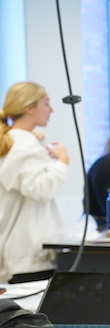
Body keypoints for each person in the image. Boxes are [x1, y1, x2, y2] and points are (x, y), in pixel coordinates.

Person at [0, 82, 69, 283]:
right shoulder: (23, 144)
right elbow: (40, 189)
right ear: (29, 108)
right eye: (46, 103)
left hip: (19, 252)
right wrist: (63, 162)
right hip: (28, 255)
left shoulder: (15, 141)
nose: (52, 109)